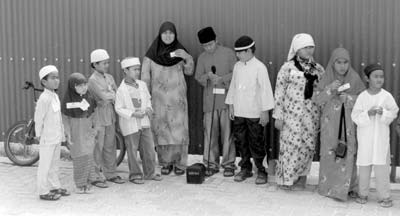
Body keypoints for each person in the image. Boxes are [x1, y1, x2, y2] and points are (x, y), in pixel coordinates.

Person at [141, 21, 194, 176]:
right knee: (162, 130)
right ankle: (165, 162)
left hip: (177, 100)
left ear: (175, 35)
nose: (168, 36)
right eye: (165, 33)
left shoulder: (180, 52)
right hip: (159, 101)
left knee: (179, 130)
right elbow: (145, 78)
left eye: (171, 33)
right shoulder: (151, 55)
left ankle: (180, 163)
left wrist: (187, 58)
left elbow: (189, 71)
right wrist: (146, 98)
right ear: (160, 34)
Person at [272, 33, 324, 190]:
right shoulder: (287, 68)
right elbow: (279, 92)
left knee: (307, 146)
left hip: (311, 115)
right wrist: (278, 116)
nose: (309, 50)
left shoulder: (318, 69)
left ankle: (302, 177)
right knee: (290, 146)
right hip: (291, 116)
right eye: (305, 47)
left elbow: (322, 93)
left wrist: (321, 116)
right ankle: (286, 179)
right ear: (297, 49)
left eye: (311, 47)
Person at [315, 48, 365, 200]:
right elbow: (317, 99)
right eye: (338, 62)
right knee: (329, 153)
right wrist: (330, 89)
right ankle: (328, 187)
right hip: (329, 124)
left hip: (348, 125)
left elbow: (364, 100)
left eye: (345, 62)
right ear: (333, 63)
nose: (342, 66)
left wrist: (349, 99)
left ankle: (347, 188)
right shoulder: (326, 77)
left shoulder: (354, 78)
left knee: (347, 153)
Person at [225, 36, 274, 184]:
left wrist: (265, 112)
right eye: (236, 53)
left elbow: (265, 90)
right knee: (241, 142)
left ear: (248, 51)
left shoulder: (260, 67)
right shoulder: (237, 66)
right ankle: (245, 168)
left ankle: (261, 170)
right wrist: (231, 105)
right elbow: (233, 86)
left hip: (255, 113)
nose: (237, 55)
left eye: (239, 52)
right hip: (239, 112)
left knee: (257, 143)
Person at [351, 63, 399, 208]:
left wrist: (383, 113)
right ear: (367, 78)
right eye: (376, 76)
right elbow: (355, 115)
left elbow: (394, 112)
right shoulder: (362, 97)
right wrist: (368, 114)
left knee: (382, 169)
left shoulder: (386, 96)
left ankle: (384, 196)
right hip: (365, 138)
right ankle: (362, 194)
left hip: (381, 139)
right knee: (364, 167)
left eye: (382, 77)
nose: (379, 79)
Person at [194, 26, 237, 177]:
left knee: (227, 134)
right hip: (209, 102)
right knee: (210, 134)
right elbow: (198, 76)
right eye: (205, 45)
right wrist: (207, 76)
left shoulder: (228, 53)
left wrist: (222, 79)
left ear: (216, 40)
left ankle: (229, 163)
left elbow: (236, 73)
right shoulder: (202, 58)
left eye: (210, 44)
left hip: (225, 101)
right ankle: (211, 163)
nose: (208, 48)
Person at [115, 57, 162, 184]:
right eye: (134, 69)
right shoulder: (121, 90)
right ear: (125, 70)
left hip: (144, 122)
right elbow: (118, 108)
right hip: (130, 124)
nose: (137, 72)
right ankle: (135, 175)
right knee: (132, 150)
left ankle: (150, 172)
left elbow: (148, 99)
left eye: (138, 69)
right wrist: (133, 114)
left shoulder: (142, 85)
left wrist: (148, 108)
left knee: (149, 148)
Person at [88, 49, 124, 187]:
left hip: (110, 115)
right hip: (98, 117)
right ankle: (95, 176)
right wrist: (110, 95)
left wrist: (110, 95)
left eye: (107, 63)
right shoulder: (92, 80)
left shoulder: (109, 77)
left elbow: (117, 93)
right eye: (104, 63)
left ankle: (111, 173)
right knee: (98, 146)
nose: (107, 65)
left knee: (110, 145)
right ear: (95, 64)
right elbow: (103, 96)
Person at [35, 65, 70, 200]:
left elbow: (58, 117)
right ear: (44, 82)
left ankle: (55, 186)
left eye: (57, 77)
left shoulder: (54, 96)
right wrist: (39, 136)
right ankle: (43, 191)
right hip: (46, 138)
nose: (57, 80)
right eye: (53, 78)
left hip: (55, 137)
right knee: (44, 165)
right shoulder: (44, 98)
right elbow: (38, 119)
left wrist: (62, 135)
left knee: (54, 164)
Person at [62, 73, 98, 194]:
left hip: (88, 134)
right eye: (79, 85)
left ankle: (88, 183)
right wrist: (67, 134)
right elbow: (65, 119)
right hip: (75, 135)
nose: (83, 87)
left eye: (85, 84)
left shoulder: (90, 98)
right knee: (79, 159)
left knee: (88, 157)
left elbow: (95, 115)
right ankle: (79, 184)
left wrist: (95, 129)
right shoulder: (67, 101)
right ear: (73, 86)